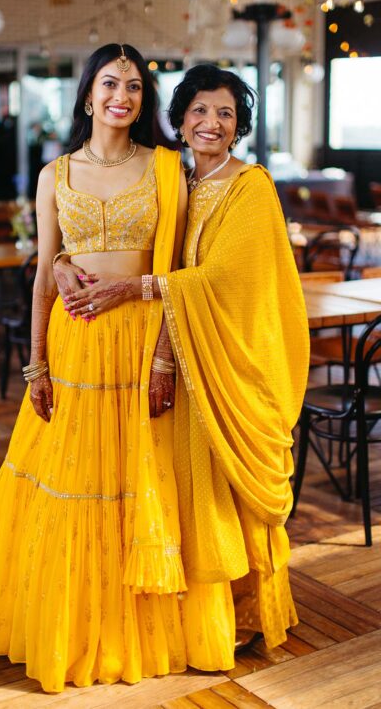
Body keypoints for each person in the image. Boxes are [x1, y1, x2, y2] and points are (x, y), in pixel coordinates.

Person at [58, 64, 310, 668]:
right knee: (185, 496)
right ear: (178, 119)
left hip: (226, 360)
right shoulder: (172, 177)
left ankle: (244, 615)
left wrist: (134, 289)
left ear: (239, 126)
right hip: (172, 352)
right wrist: (66, 258)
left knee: (223, 493)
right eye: (199, 111)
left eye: (226, 114)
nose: (212, 124)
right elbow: (128, 226)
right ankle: (197, 620)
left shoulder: (251, 186)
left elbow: (230, 280)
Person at [0, 43, 188, 692]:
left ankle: (133, 632)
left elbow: (176, 271)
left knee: (136, 479)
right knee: (75, 481)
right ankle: (72, 625)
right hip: (76, 346)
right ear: (88, 94)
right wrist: (36, 365)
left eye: (133, 86)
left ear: (142, 100)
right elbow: (44, 275)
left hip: (141, 338)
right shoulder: (55, 173)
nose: (121, 95)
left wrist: (165, 357)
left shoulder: (167, 169)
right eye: (109, 83)